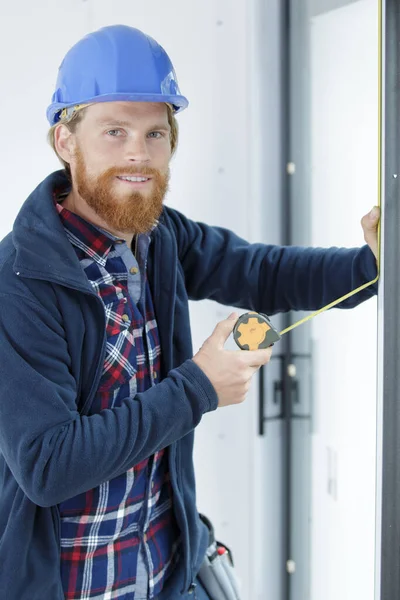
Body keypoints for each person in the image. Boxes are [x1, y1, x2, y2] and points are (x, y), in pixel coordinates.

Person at [0, 24, 379, 600]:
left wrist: (373, 264)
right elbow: (48, 466)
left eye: (156, 132)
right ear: (65, 141)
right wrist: (199, 386)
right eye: (114, 131)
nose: (138, 152)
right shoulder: (21, 280)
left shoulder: (159, 237)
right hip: (78, 586)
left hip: (170, 569)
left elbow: (263, 272)